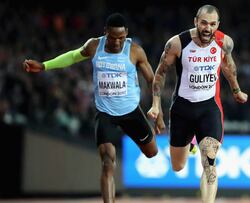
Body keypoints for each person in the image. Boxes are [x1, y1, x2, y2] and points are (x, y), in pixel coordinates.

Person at [23, 13, 165, 203]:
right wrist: (43, 66)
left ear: (126, 34)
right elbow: (73, 57)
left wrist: (158, 108)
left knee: (152, 153)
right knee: (107, 162)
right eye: (113, 38)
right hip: (105, 113)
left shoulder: (134, 51)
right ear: (105, 32)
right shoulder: (94, 46)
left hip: (131, 112)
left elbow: (151, 80)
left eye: (121, 38)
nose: (117, 43)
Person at [147, 5, 248, 203]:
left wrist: (236, 90)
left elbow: (228, 66)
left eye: (212, 24)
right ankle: (192, 142)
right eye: (203, 23)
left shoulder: (224, 42)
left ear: (217, 25)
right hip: (182, 109)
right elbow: (160, 73)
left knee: (209, 162)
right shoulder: (177, 43)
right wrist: (156, 105)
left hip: (209, 107)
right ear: (196, 22)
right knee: (178, 166)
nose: (207, 28)